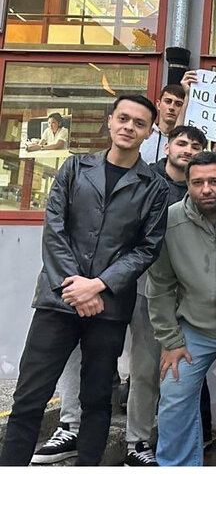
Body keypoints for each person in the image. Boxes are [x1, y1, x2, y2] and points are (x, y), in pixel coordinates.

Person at [0, 95, 169, 467]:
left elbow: (147, 248)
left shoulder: (153, 187)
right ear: (110, 122)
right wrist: (73, 287)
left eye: (139, 123)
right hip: (56, 302)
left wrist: (99, 285)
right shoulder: (75, 168)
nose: (129, 127)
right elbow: (54, 229)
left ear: (148, 132)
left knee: (96, 400)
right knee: (30, 397)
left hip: (107, 310)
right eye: (123, 118)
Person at [146, 151, 216, 465]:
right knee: (173, 395)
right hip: (195, 328)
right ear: (187, 185)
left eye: (214, 181)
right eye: (197, 183)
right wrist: (170, 341)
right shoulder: (169, 221)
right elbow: (159, 285)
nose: (206, 189)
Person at [140, 84, 186, 163]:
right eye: (168, 101)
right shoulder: (143, 134)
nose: (171, 107)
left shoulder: (186, 141)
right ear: (158, 104)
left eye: (178, 104)